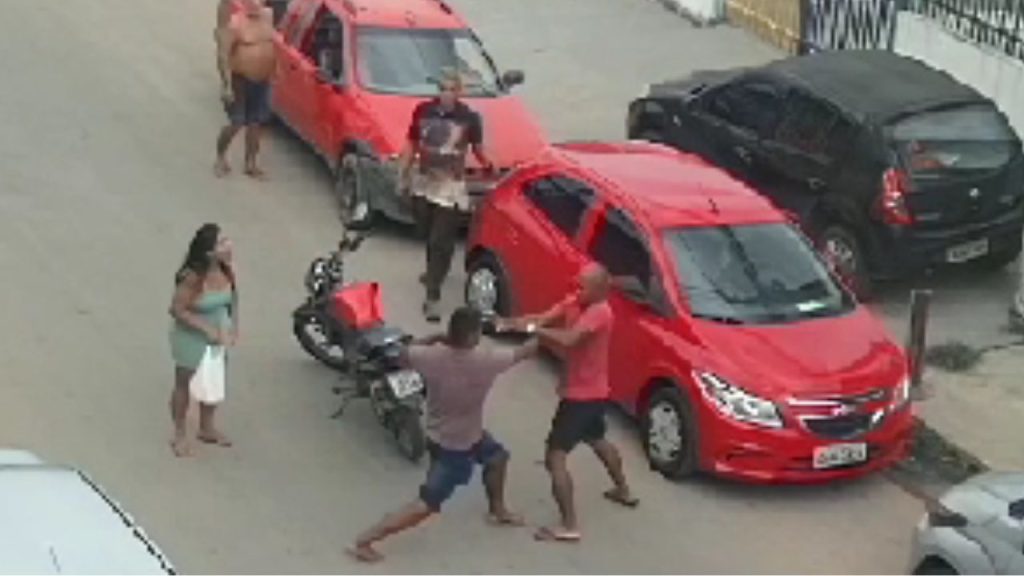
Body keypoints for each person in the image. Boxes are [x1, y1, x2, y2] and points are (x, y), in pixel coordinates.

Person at [348, 307, 538, 563]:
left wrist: (434, 337)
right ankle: (364, 540)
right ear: (473, 336)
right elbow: (525, 351)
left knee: (498, 458)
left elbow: (404, 353)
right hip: (456, 448)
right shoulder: (488, 360)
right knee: (425, 504)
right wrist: (540, 327)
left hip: (448, 435)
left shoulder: (430, 357)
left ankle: (498, 510)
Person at [501, 263, 637, 543]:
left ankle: (569, 525)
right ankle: (622, 490)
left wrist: (534, 329)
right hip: (593, 392)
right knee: (597, 439)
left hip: (581, 396)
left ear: (600, 289)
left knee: (555, 457)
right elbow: (545, 317)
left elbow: (570, 339)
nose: (577, 290)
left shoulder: (600, 313)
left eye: (583, 286)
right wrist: (514, 322)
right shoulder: (578, 300)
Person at [398, 69, 494, 323]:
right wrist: (403, 173)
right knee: (426, 232)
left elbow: (479, 149)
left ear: (460, 92)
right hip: (425, 181)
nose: (447, 94)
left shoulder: (470, 118)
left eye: (452, 89)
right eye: (443, 88)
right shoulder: (422, 111)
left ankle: (433, 296)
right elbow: (411, 143)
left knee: (442, 239)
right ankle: (434, 270)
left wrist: (489, 166)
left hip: (450, 186)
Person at [168, 223, 239, 457]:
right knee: (184, 384)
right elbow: (177, 309)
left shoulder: (226, 269)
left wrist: (233, 327)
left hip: (218, 338)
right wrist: (205, 328)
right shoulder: (192, 278)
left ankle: (206, 428)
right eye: (222, 242)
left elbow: (232, 300)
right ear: (209, 252)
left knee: (213, 382)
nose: (229, 245)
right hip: (191, 338)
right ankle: (179, 433)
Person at [215, 0, 277, 180]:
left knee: (256, 123)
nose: (255, 4)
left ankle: (250, 163)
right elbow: (223, 56)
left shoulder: (269, 18)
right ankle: (220, 157)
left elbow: (273, 46)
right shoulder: (236, 23)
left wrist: (276, 70)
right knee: (236, 122)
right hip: (240, 81)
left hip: (262, 80)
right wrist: (226, 85)